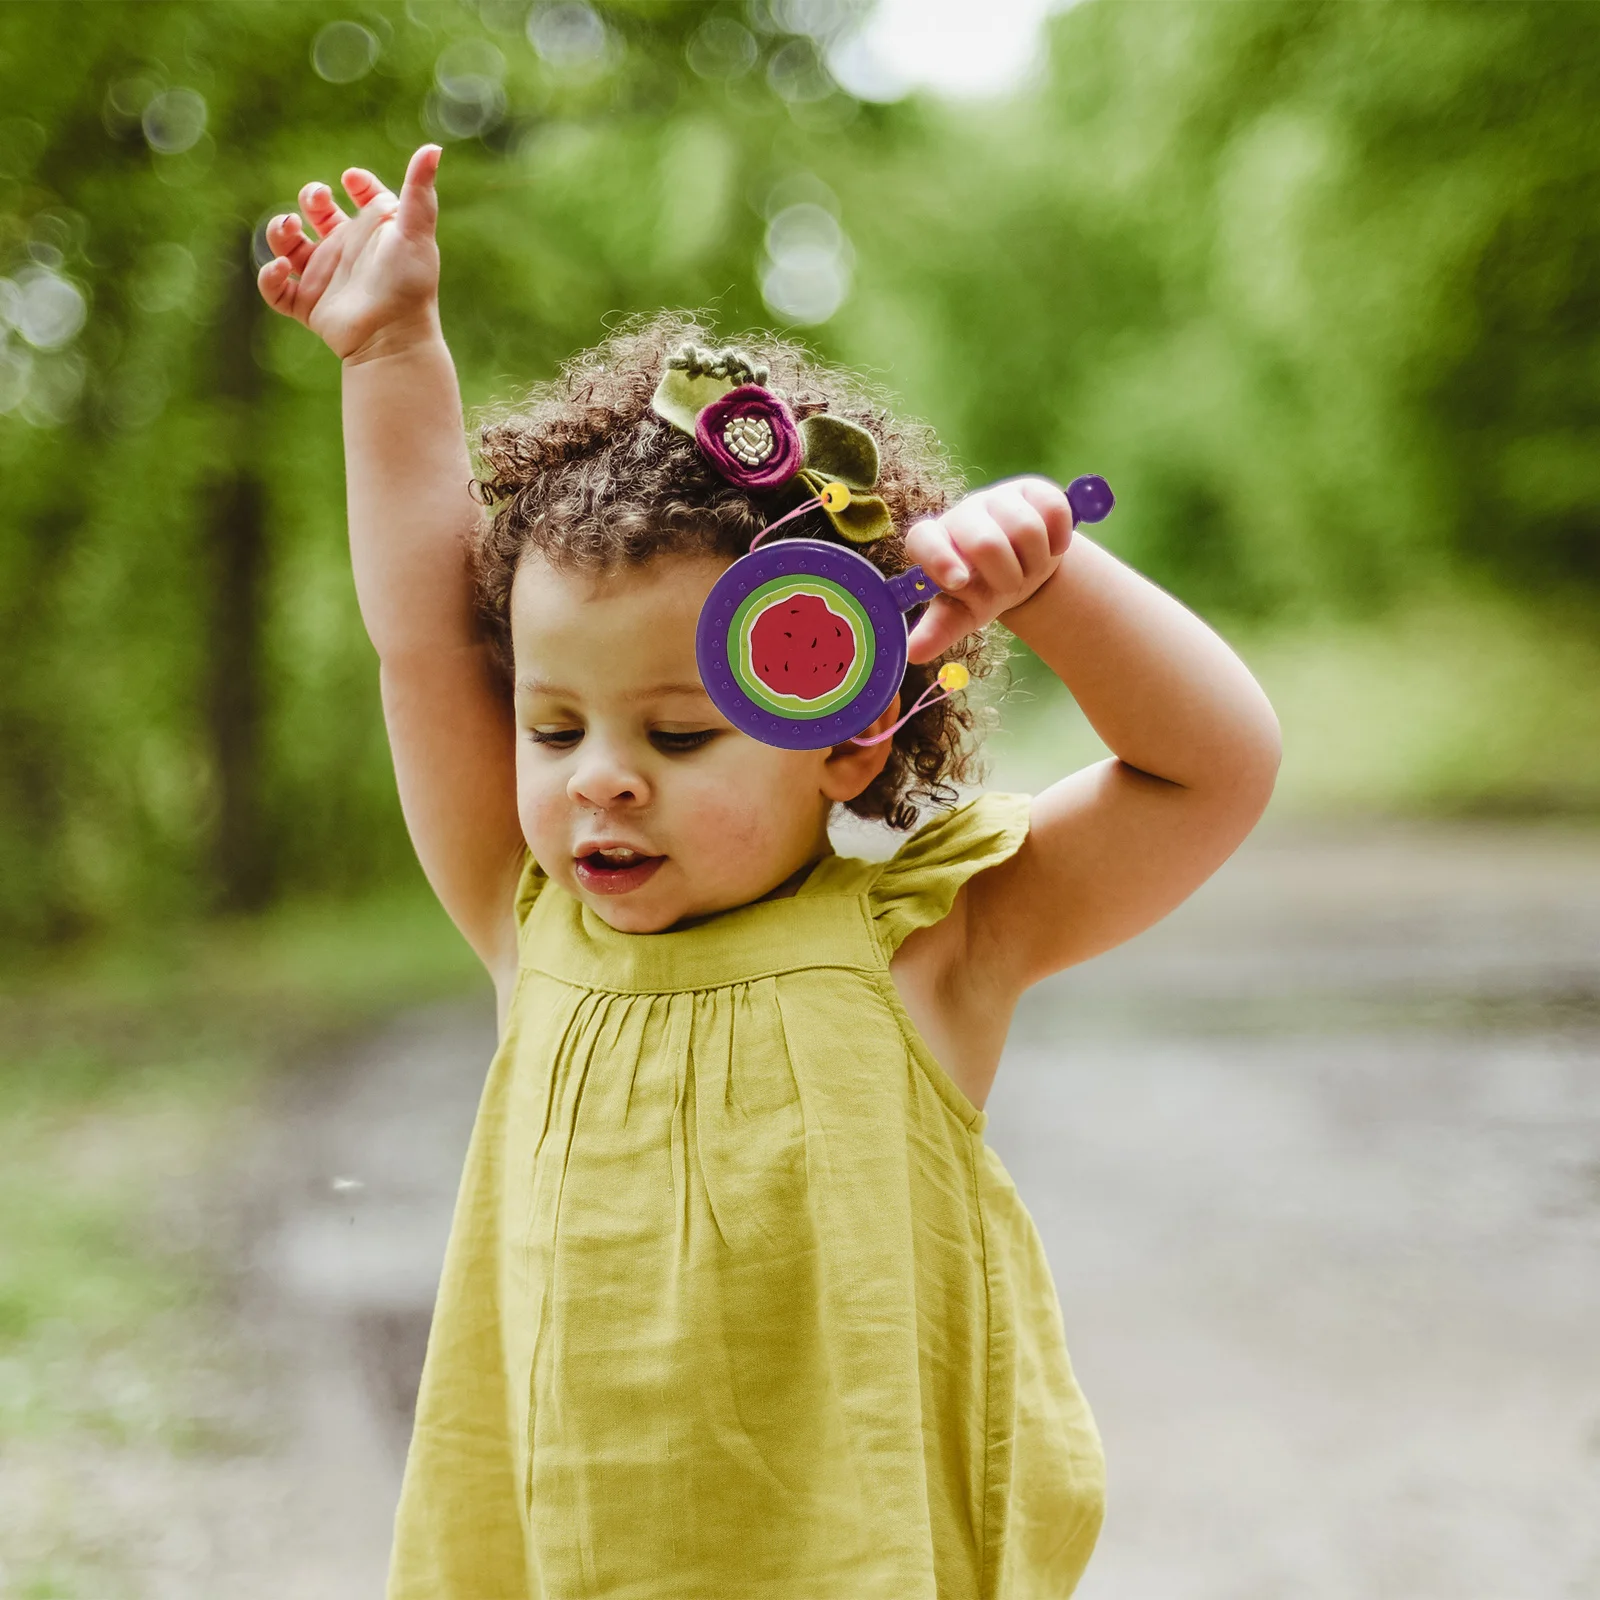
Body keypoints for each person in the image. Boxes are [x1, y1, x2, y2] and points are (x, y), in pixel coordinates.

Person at [258, 144, 1280, 1600]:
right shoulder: (527, 921)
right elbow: (424, 638)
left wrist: (1049, 583)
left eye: (679, 734)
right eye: (552, 726)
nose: (600, 776)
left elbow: (1211, 770)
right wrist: (390, 356)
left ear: (848, 735)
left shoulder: (930, 946)